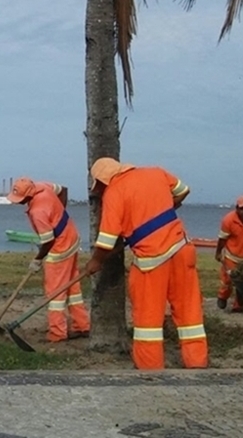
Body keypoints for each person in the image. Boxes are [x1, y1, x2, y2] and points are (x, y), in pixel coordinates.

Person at [82, 157, 208, 370]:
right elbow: (183, 191)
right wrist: (161, 214)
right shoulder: (156, 172)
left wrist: (95, 262)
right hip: (182, 250)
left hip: (152, 261)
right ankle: (197, 363)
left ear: (103, 180)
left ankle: (149, 369)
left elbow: (106, 241)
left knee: (147, 320)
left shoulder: (115, 191)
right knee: (190, 315)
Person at [7, 177, 89, 342]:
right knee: (72, 288)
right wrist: (59, 215)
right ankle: (82, 325)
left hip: (60, 249)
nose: (19, 202)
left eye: (21, 199)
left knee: (55, 293)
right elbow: (63, 189)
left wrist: (37, 260)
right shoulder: (42, 186)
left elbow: (48, 241)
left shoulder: (38, 212)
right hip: (71, 236)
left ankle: (57, 333)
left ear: (29, 195)